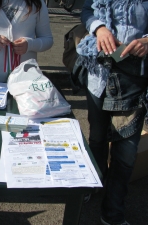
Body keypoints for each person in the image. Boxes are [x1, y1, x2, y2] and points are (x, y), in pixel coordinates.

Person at [77, 0, 148, 224]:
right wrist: (100, 28)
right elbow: (87, 10)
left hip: (134, 80)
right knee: (97, 137)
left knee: (125, 153)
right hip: (98, 75)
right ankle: (96, 181)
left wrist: (147, 41)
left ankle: (113, 212)